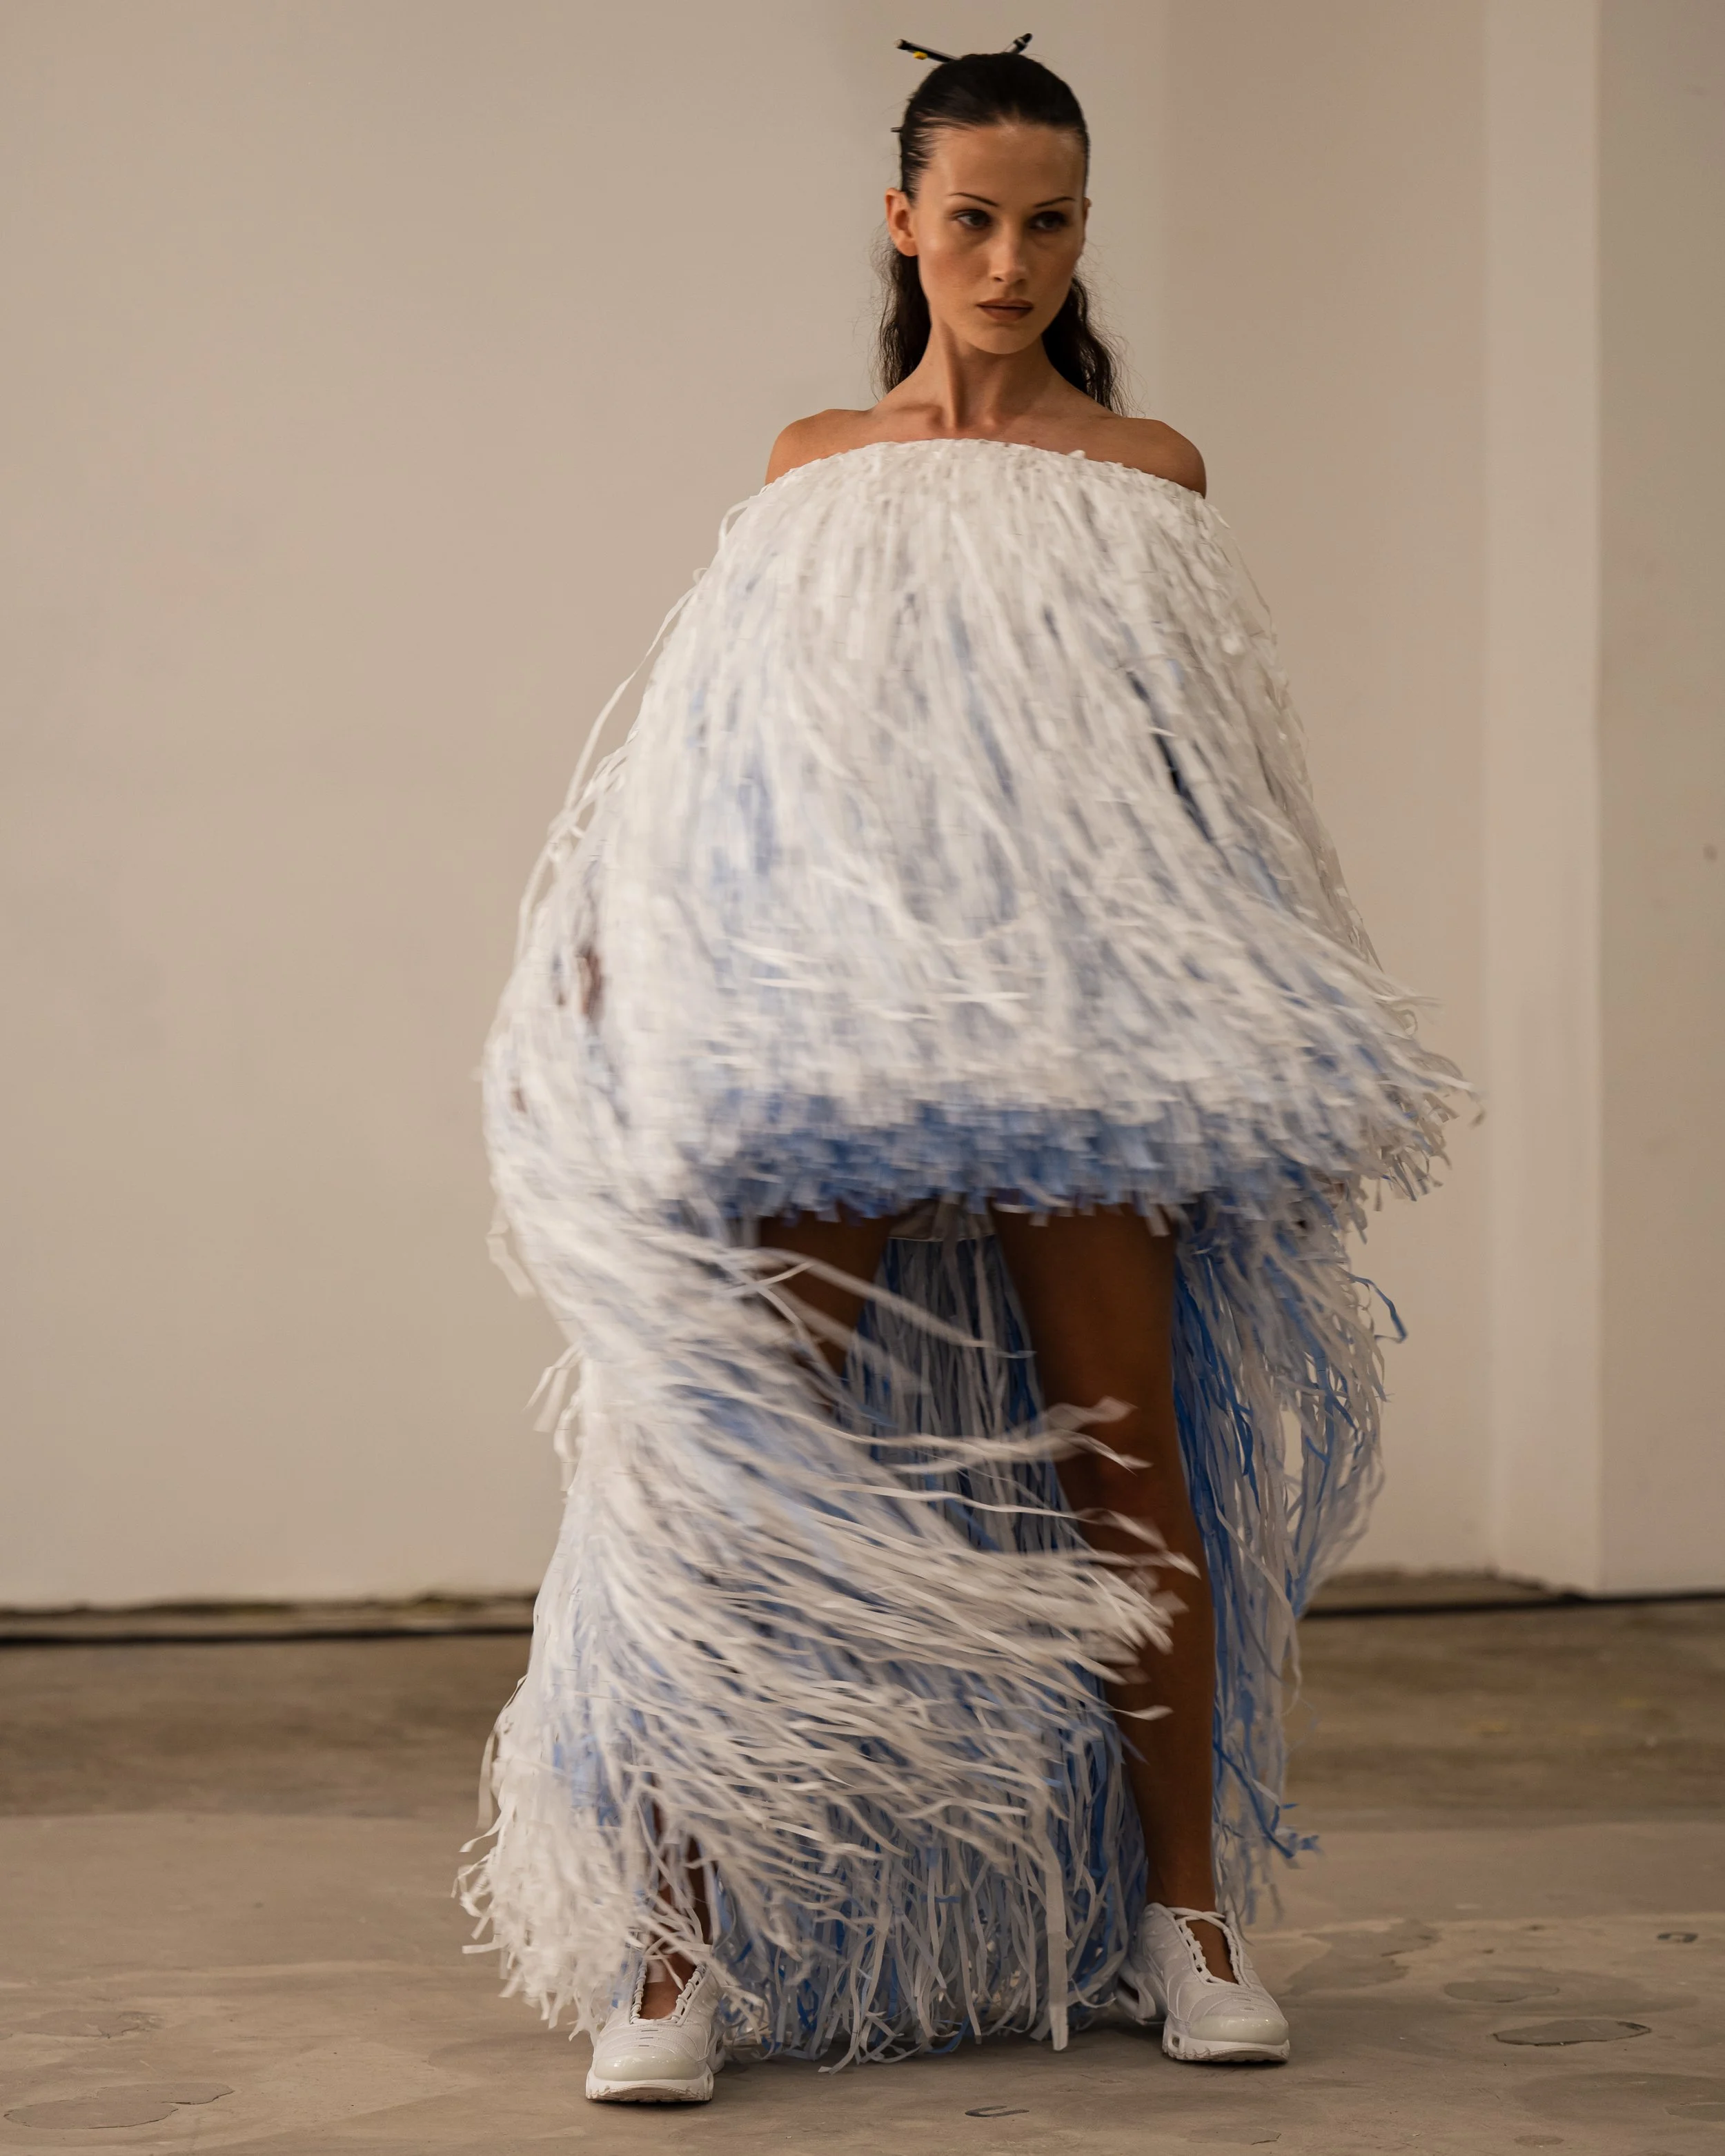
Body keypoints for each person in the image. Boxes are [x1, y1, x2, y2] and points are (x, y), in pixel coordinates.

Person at [465, 39, 1457, 2108]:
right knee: (726, 1478)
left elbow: (1194, 804)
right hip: (834, 1035)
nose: (1010, 257)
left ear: (1082, 234)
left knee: (1132, 1472)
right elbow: (728, 777)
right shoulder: (809, 465)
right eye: (975, 215)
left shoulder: (1147, 474)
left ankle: (1184, 1919)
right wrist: (617, 956)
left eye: (1051, 220)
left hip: (1078, 1049)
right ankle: (675, 1948)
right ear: (901, 221)